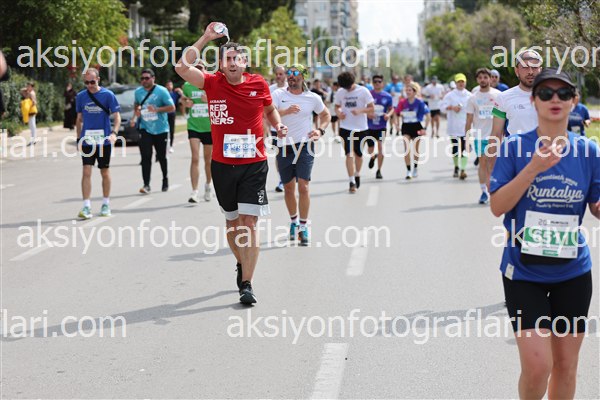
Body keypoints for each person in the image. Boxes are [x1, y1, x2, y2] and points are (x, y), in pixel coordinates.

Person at [489, 68, 600, 399]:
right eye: (546, 93)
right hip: (524, 272)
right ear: (533, 101)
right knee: (538, 366)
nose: (555, 99)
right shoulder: (514, 147)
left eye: (564, 94)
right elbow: (498, 206)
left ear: (574, 101)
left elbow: (595, 205)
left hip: (573, 271)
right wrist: (534, 167)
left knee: (566, 365)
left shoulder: (588, 151)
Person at [175, 22, 287, 304]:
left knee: (250, 222)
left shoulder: (258, 83)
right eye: (227, 59)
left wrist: (278, 125)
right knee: (233, 223)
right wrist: (205, 37)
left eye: (237, 58)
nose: (233, 62)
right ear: (221, 64)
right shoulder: (212, 82)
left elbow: (270, 109)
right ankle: (241, 261)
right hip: (223, 165)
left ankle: (247, 283)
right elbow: (181, 67)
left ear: (245, 62)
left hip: (254, 163)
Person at [272, 64, 330, 246]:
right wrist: (286, 111)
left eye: (295, 74)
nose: (291, 77)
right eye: (289, 74)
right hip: (284, 146)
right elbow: (268, 114)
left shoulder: (312, 98)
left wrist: (320, 130)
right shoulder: (278, 94)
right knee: (289, 188)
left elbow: (326, 115)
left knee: (303, 187)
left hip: (305, 145)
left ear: (303, 77)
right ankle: (294, 221)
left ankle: (303, 227)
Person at [75, 68, 121, 219]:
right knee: (86, 171)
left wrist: (114, 133)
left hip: (104, 141)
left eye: (92, 82)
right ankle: (86, 206)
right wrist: (78, 138)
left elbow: (117, 116)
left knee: (104, 171)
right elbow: (79, 119)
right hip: (87, 140)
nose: (89, 85)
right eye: (86, 82)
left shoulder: (108, 95)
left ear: (98, 80)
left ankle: (106, 204)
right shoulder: (81, 96)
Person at [131, 69, 175, 194]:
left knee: (161, 156)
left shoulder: (162, 91)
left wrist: (157, 109)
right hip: (145, 128)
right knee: (146, 156)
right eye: (142, 78)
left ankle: (165, 179)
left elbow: (172, 107)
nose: (144, 81)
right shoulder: (138, 92)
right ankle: (146, 185)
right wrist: (136, 113)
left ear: (153, 78)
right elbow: (136, 104)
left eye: (147, 78)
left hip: (161, 129)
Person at [334, 71, 375, 193]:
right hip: (345, 127)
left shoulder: (363, 91)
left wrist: (360, 110)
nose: (347, 89)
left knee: (358, 155)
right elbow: (336, 106)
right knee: (349, 154)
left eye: (349, 87)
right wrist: (339, 113)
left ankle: (357, 173)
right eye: (345, 88)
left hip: (361, 128)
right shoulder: (340, 92)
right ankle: (351, 180)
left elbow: (372, 108)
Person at [465, 68, 501, 203]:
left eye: (485, 77)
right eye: (480, 78)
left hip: (495, 136)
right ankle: (484, 192)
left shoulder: (498, 95)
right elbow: (469, 120)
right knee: (483, 163)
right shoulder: (473, 98)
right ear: (477, 80)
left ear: (490, 78)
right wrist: (467, 139)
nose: (483, 80)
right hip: (479, 136)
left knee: (493, 165)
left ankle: (493, 190)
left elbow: (505, 116)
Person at [180, 63, 213, 203]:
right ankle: (194, 191)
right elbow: (183, 99)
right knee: (195, 158)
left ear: (205, 70)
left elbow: (223, 101)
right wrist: (186, 102)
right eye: (196, 68)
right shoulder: (187, 85)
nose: (199, 70)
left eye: (201, 68)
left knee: (208, 160)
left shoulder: (211, 84)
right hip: (194, 126)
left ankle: (208, 185)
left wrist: (209, 100)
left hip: (209, 127)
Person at [396, 82, 430, 179]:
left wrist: (425, 128)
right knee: (406, 149)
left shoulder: (419, 102)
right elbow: (396, 113)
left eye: (410, 90)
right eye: (406, 90)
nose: (407, 92)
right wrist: (397, 125)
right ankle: (408, 170)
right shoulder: (402, 102)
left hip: (416, 126)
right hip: (406, 126)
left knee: (415, 150)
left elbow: (428, 115)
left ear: (415, 92)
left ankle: (415, 167)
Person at [441, 73, 472, 179]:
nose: (461, 84)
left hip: (465, 125)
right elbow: (442, 107)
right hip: (453, 125)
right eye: (459, 82)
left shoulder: (469, 95)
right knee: (455, 147)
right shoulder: (450, 95)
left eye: (462, 81)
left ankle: (463, 169)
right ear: (456, 83)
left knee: (464, 148)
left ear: (465, 83)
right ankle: (456, 167)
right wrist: (452, 107)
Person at [367, 75, 394, 179]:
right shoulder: (368, 95)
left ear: (382, 83)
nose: (377, 83)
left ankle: (379, 170)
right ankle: (373, 157)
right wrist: (367, 114)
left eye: (379, 81)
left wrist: (388, 115)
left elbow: (391, 109)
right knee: (370, 148)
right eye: (375, 82)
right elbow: (362, 108)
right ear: (372, 83)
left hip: (382, 126)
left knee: (380, 147)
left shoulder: (387, 96)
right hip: (369, 126)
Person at [268, 66, 288, 192]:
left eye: (281, 74)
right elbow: (267, 111)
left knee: (291, 153)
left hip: (292, 128)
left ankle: (291, 178)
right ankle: (281, 179)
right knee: (279, 155)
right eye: (277, 74)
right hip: (275, 128)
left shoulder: (291, 88)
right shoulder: (270, 89)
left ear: (286, 75)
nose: (278, 76)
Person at [165, 80, 182, 153]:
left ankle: (171, 146)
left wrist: (180, 91)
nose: (169, 86)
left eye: (170, 85)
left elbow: (184, 98)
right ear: (166, 86)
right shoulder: (164, 94)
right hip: (164, 114)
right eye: (168, 85)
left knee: (171, 130)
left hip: (172, 114)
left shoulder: (175, 94)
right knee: (164, 131)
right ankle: (164, 145)